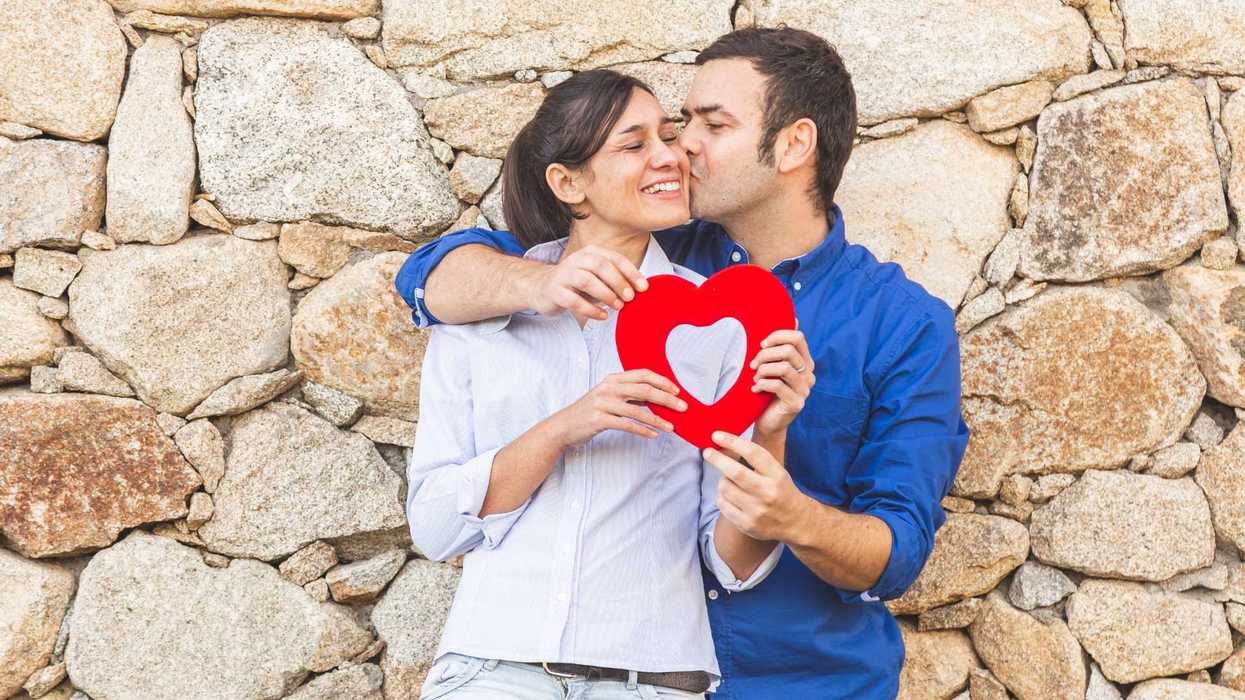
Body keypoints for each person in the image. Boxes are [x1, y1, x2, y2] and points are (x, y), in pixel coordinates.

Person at [396, 27, 971, 699]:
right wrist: (537, 286)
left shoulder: (901, 323)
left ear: (793, 144)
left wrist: (791, 515)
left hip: (797, 678)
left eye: (710, 124)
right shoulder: (635, 253)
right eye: (677, 124)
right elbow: (431, 278)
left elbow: (895, 552)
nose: (681, 146)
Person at [405, 69, 814, 700]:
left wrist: (770, 431)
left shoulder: (721, 327)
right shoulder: (479, 311)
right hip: (492, 671)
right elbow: (435, 527)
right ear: (569, 183)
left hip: (653, 679)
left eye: (669, 136)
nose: (670, 157)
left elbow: (735, 564)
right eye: (634, 144)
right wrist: (568, 426)